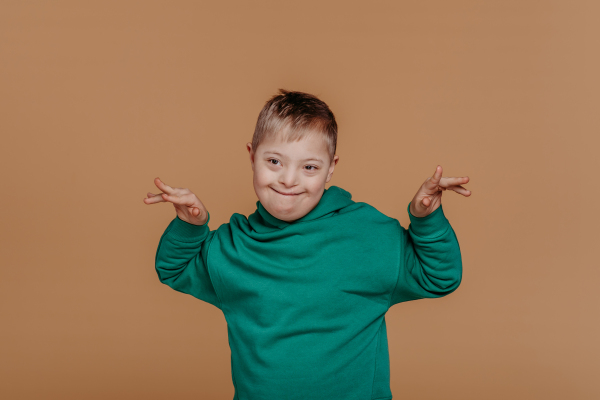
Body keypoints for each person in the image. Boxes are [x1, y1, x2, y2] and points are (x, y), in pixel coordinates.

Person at [143, 89, 470, 400]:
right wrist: (191, 225)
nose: (288, 180)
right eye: (274, 162)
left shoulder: (368, 235)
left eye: (309, 167)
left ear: (330, 170)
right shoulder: (234, 246)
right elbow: (174, 268)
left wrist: (425, 219)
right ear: (252, 156)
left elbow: (439, 277)